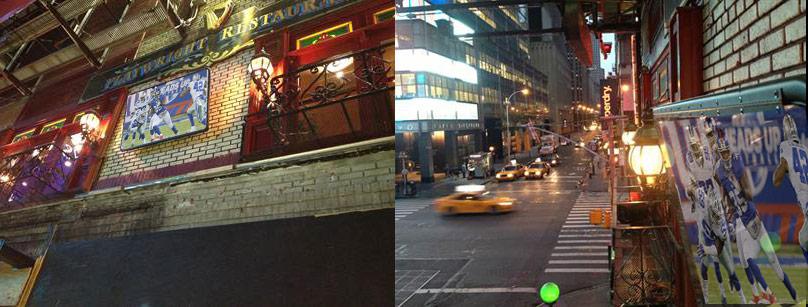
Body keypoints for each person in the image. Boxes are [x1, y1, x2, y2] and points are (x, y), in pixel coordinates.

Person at [716, 137, 795, 303]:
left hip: (755, 221)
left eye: (726, 151)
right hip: (744, 224)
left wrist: (743, 191)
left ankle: (794, 298)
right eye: (722, 152)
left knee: (775, 264)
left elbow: (748, 192)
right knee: (747, 260)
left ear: (730, 151)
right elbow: (725, 193)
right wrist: (729, 209)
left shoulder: (737, 165)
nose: (725, 155)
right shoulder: (721, 172)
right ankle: (765, 295)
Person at [773, 113, 808, 266]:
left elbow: (776, 181)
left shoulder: (785, 147)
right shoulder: (805, 149)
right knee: (804, 238)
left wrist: (782, 163)